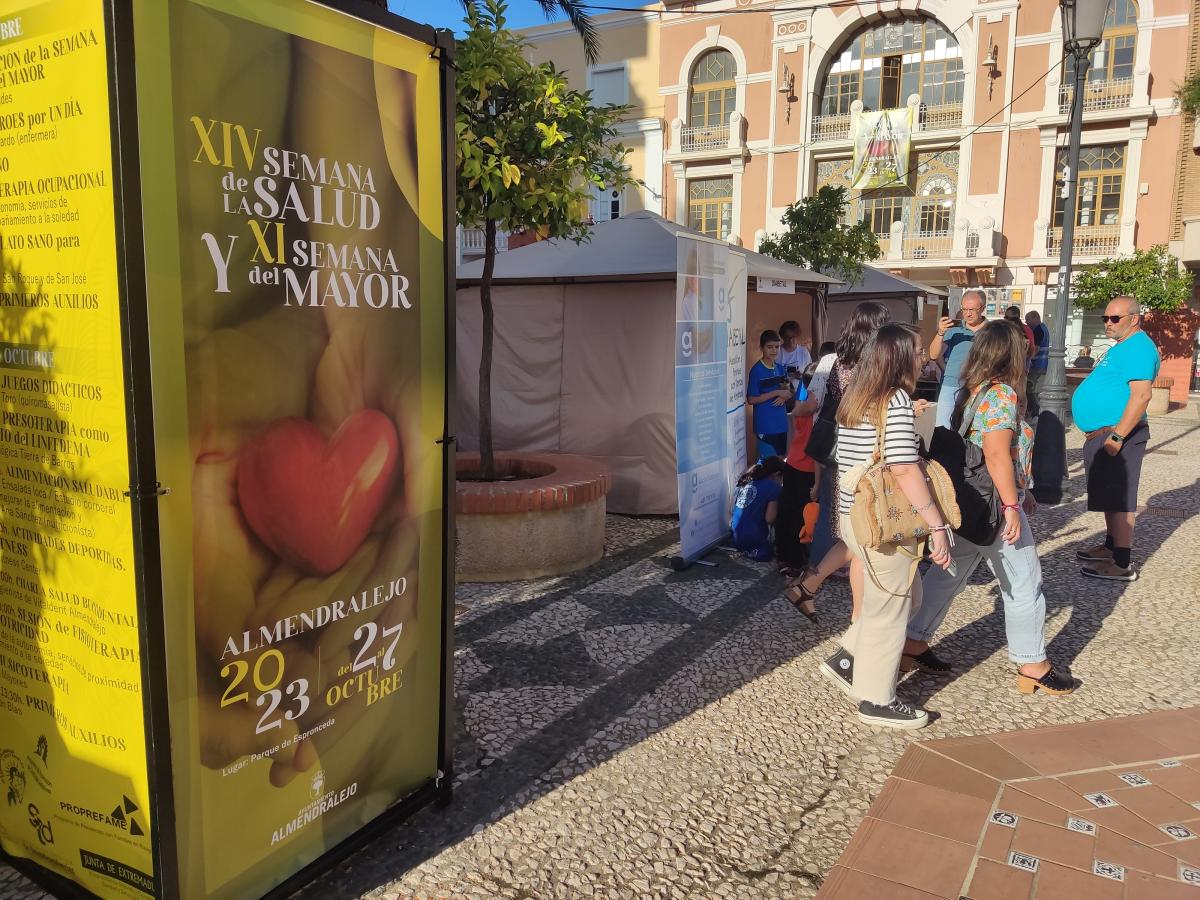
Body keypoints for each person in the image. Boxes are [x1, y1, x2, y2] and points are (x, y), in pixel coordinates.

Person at [902, 320, 1076, 695]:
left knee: (947, 574)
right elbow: (995, 453)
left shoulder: (974, 390)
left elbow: (983, 454)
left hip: (971, 501)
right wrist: (1012, 504)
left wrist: (1020, 487)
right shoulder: (1002, 396)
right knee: (1024, 581)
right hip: (994, 506)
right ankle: (1032, 663)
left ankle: (912, 641)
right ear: (1014, 355)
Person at [817, 323, 953, 729]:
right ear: (896, 358)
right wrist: (938, 523)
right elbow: (904, 468)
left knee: (907, 596)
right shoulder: (893, 398)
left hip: (854, 514)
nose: (922, 357)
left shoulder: (858, 395)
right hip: (879, 519)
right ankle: (876, 699)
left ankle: (848, 660)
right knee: (891, 607)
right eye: (916, 350)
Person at [790, 303, 892, 619]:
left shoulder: (838, 361)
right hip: (859, 448)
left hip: (836, 444)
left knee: (835, 508)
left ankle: (813, 576)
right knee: (855, 521)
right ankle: (827, 581)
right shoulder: (870, 366)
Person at [1072, 295, 1160, 581]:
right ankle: (1111, 547)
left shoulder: (1138, 347)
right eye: (1105, 318)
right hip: (1104, 431)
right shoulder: (1122, 347)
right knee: (1108, 495)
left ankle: (1122, 564)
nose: (1108, 323)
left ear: (1134, 318)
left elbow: (1142, 395)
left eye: (1114, 318)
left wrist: (1118, 435)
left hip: (1117, 433)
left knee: (1120, 499)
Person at [776, 367, 817, 590]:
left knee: (790, 511)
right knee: (802, 516)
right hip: (806, 467)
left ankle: (787, 557)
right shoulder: (814, 406)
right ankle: (794, 560)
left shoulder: (802, 400)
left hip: (794, 462)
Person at [930, 290, 987, 428]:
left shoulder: (991, 331)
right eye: (964, 309)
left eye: (972, 310)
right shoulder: (954, 329)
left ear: (983, 308)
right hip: (951, 383)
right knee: (943, 427)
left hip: (979, 385)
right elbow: (933, 355)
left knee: (972, 428)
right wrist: (940, 333)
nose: (967, 314)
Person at [747, 330, 793, 460]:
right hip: (765, 425)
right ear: (761, 348)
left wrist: (784, 396)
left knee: (780, 461)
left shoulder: (780, 368)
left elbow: (789, 391)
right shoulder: (756, 370)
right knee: (767, 464)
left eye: (777, 347)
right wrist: (777, 393)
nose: (774, 350)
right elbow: (751, 399)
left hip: (781, 424)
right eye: (770, 347)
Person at [730, 456, 786, 561]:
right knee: (768, 555)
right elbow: (770, 518)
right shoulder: (774, 487)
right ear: (777, 474)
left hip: (736, 536)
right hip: (753, 538)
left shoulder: (747, 480)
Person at [1026, 310, 1050, 416]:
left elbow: (1036, 348)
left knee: (1029, 387)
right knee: (1032, 388)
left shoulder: (1038, 330)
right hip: (1042, 364)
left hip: (1037, 364)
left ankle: (1035, 412)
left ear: (1035, 318)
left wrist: (1027, 358)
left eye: (1028, 319)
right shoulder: (1044, 328)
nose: (1027, 322)